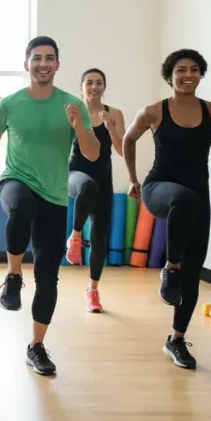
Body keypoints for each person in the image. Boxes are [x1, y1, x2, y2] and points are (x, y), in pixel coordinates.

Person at [0, 36, 99, 376]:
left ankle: (36, 346)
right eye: (37, 57)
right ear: (26, 63)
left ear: (58, 64)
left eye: (50, 58)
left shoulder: (73, 104)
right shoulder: (10, 104)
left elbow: (92, 153)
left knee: (48, 277)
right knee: (20, 208)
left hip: (55, 194)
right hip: (15, 180)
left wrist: (77, 125)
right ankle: (13, 275)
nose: (43, 63)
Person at [123, 49, 211, 370]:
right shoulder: (154, 111)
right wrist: (133, 179)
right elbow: (128, 139)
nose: (187, 75)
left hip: (196, 200)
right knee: (183, 200)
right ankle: (170, 268)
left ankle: (176, 339)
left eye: (193, 70)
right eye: (180, 70)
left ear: (201, 75)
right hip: (158, 189)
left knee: (193, 274)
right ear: (170, 75)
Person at [66, 68, 125, 313]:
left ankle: (92, 290)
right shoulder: (72, 111)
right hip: (76, 173)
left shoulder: (115, 113)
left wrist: (111, 128)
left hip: (104, 177)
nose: (94, 86)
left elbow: (122, 149)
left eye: (99, 82)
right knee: (87, 187)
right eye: (89, 82)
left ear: (104, 87)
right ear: (81, 87)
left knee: (100, 236)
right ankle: (76, 235)